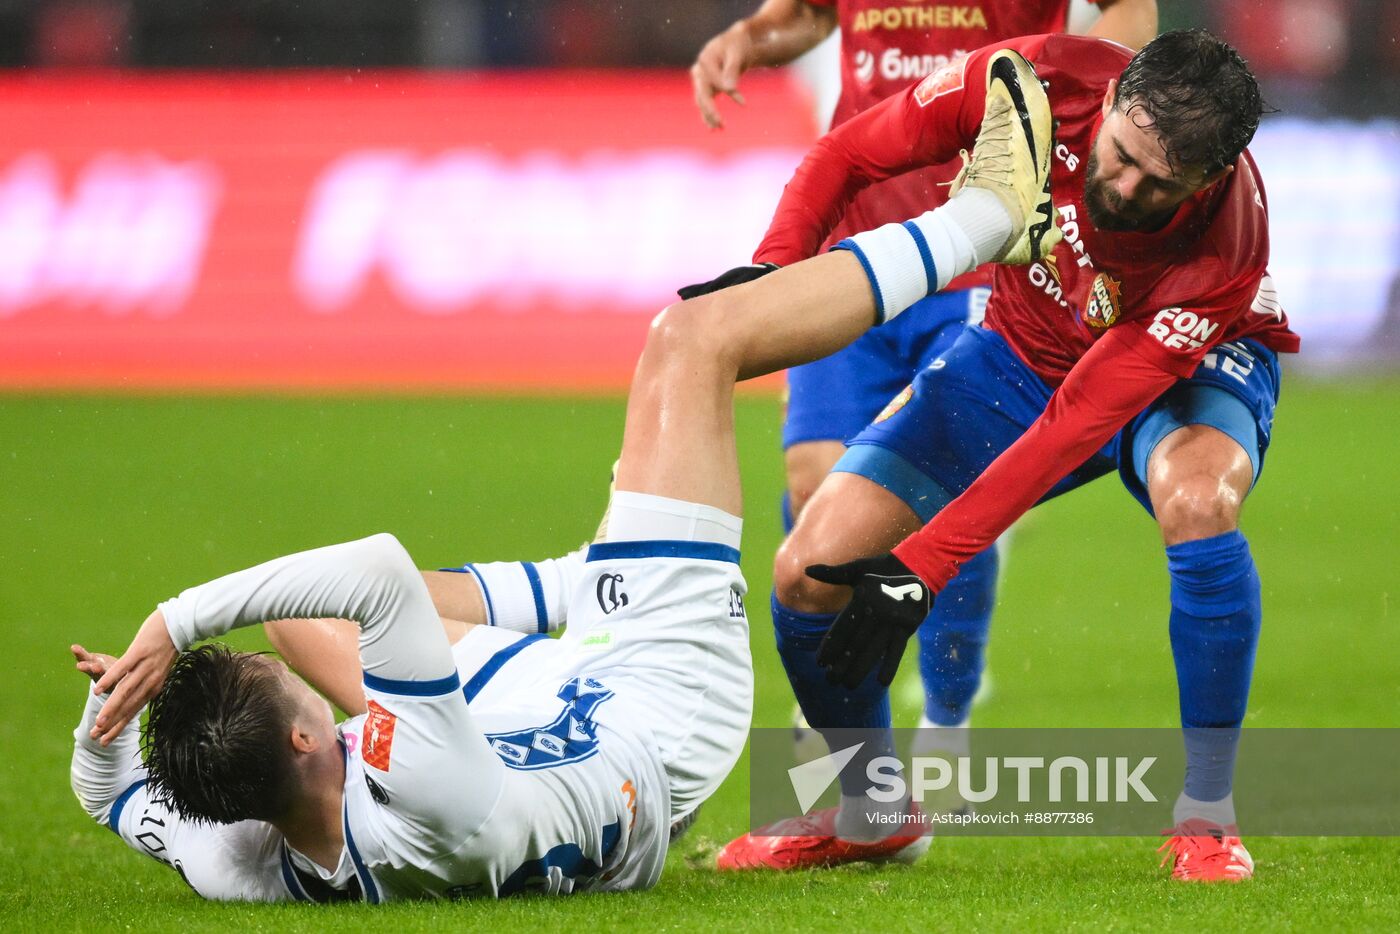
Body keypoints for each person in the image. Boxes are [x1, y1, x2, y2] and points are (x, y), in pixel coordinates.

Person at [68, 61, 1056, 897]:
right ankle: (987, 215)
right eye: (295, 701)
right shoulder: (422, 779)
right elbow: (371, 568)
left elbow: (103, 790)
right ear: (299, 743)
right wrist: (178, 621)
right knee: (691, 338)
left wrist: (109, 714)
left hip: (547, 723)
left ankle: (593, 579)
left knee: (299, 620)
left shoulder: (243, 856)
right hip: (664, 708)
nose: (317, 697)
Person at [703, 30, 1295, 882]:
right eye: (1121, 154)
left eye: (1158, 184)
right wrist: (773, 266)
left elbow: (1075, 424)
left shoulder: (1224, 251)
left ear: (1210, 179)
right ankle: (871, 810)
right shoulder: (1032, 83)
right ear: (1119, 94)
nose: (1123, 188)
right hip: (1017, 348)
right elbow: (848, 152)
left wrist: (924, 565)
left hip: (1180, 370)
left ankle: (1207, 815)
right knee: (806, 571)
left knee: (1198, 501)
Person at [691, 0, 1158, 767]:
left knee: (942, 480)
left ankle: (947, 714)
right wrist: (746, 38)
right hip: (856, 243)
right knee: (815, 481)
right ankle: (842, 702)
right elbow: (807, 15)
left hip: (979, 245)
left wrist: (1094, 108)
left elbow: (1129, 15)